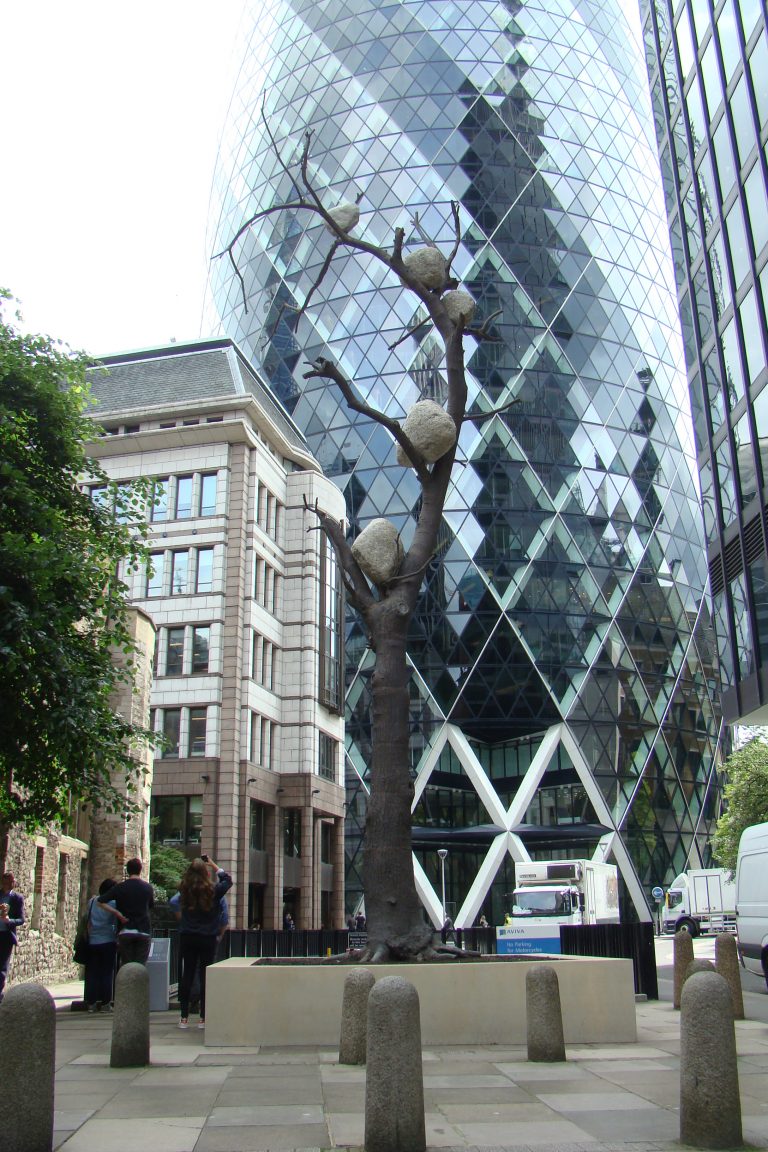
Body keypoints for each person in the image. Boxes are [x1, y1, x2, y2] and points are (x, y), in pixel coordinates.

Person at [173, 855, 232, 1030]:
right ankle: (203, 1018)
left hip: (188, 936)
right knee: (205, 976)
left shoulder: (184, 889)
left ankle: (183, 1017)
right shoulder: (212, 890)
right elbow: (228, 881)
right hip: (208, 937)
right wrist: (213, 864)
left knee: (188, 974)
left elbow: (173, 902)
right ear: (206, 872)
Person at [98, 857, 154, 965]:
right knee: (140, 967)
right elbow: (150, 906)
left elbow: (101, 901)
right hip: (143, 930)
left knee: (126, 966)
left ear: (128, 871)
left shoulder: (120, 887)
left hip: (126, 930)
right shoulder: (148, 888)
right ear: (140, 869)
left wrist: (117, 913)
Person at [84, 878, 121, 1012]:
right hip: (108, 940)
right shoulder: (114, 904)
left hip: (93, 940)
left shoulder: (92, 902)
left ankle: (91, 1003)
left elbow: (88, 918)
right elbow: (116, 921)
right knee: (107, 973)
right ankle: (106, 1003)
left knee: (93, 973)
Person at [0, 872, 25, 1002]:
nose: (10, 884)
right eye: (7, 882)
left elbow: (21, 919)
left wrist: (9, 921)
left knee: (2, 967)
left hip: (6, 936)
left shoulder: (17, 898)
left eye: (12, 882)